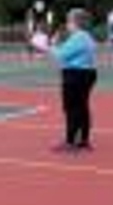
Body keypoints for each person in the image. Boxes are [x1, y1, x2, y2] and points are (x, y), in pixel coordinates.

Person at [34, 8, 99, 152]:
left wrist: (46, 47)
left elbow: (61, 55)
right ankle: (83, 140)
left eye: (69, 20)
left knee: (71, 108)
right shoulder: (85, 37)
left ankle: (70, 141)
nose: (67, 23)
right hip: (85, 74)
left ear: (75, 22)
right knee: (82, 107)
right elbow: (65, 51)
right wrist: (54, 44)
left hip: (75, 75)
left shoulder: (79, 37)